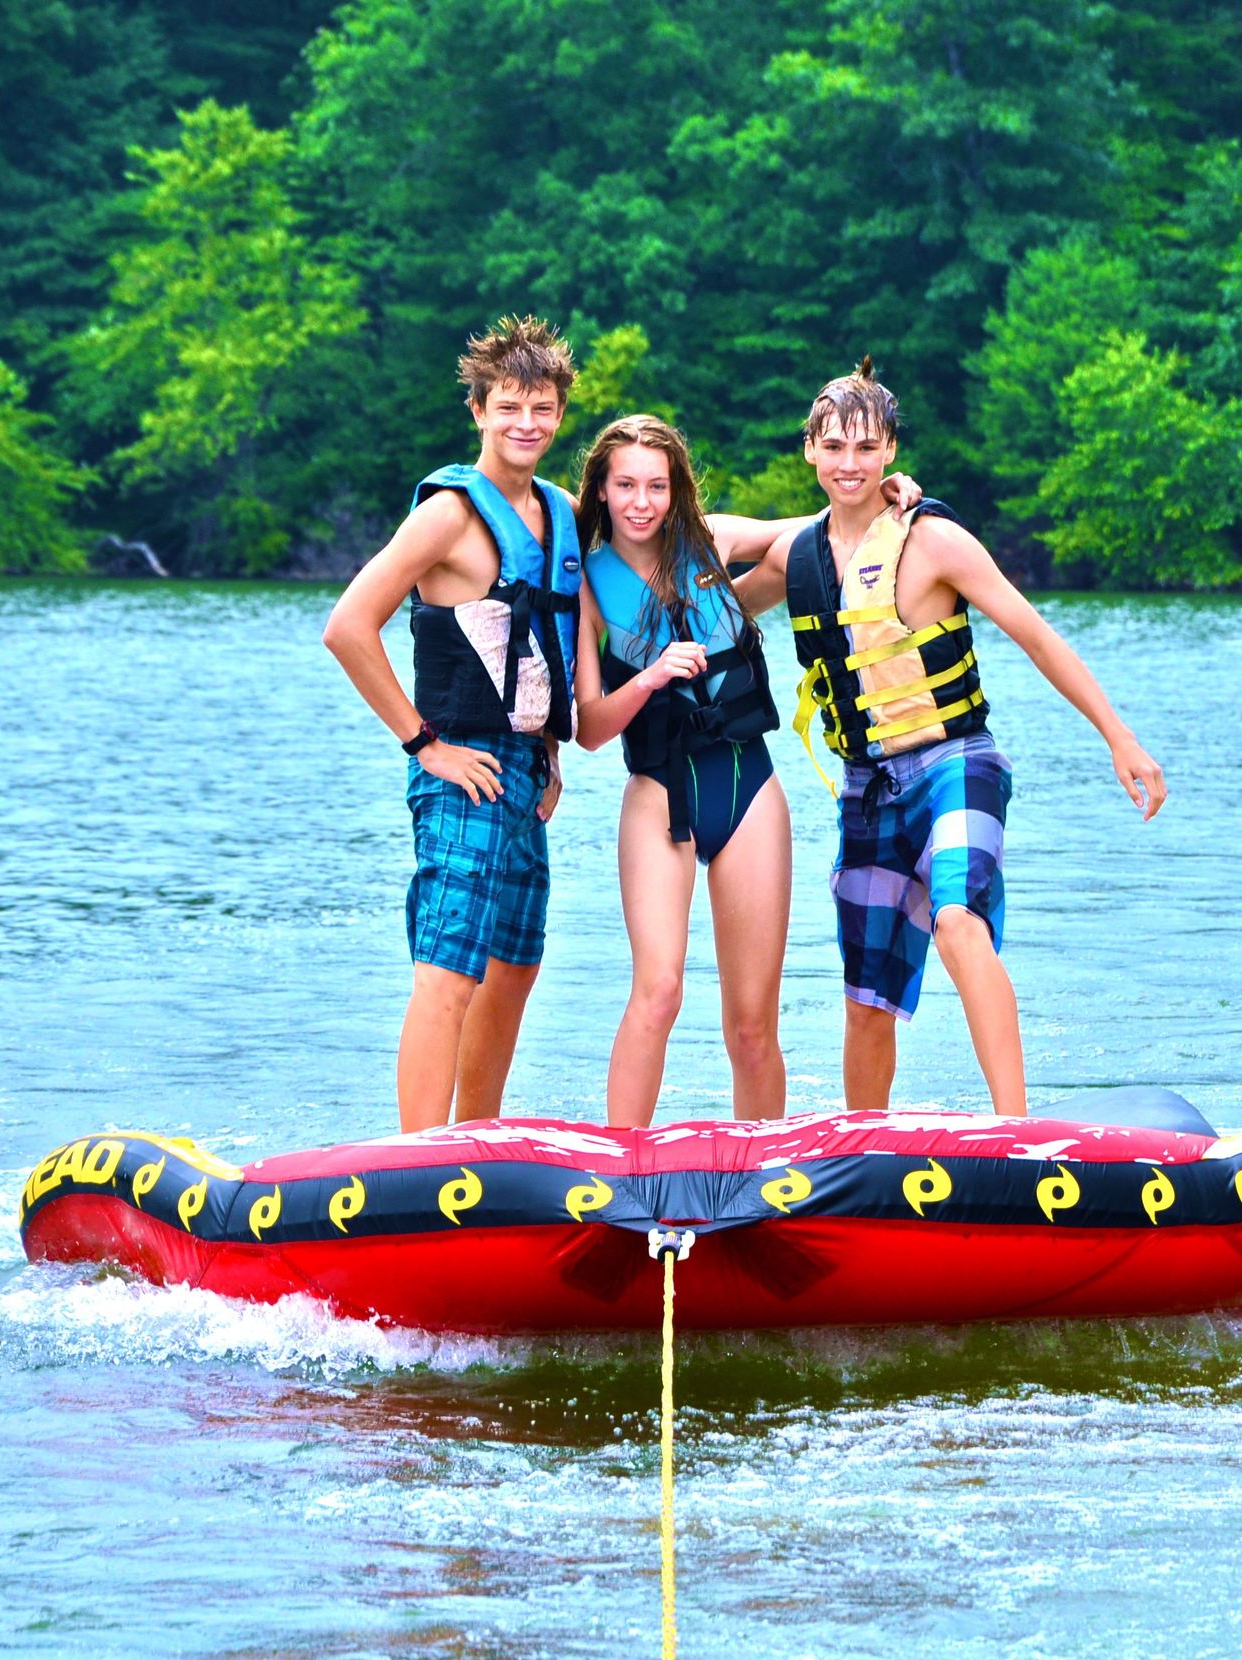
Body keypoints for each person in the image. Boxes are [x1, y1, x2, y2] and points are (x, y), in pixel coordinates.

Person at [738, 359, 1169, 1118]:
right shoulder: (795, 555)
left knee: (956, 918)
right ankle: (865, 1148)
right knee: (867, 996)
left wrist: (1118, 737)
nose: (849, 463)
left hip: (956, 763)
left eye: (866, 448)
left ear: (891, 453)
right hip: (866, 785)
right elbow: (712, 610)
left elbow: (1035, 636)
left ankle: (1016, 1127)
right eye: (833, 446)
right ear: (809, 449)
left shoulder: (931, 539)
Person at [568, 414, 919, 1127]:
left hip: (748, 787)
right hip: (660, 793)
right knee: (659, 990)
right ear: (601, 491)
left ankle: (760, 1171)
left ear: (677, 490)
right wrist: (648, 679)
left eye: (657, 486)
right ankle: (619, 1165)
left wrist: (885, 495)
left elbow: (820, 533)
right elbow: (589, 730)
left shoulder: (713, 540)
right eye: (626, 485)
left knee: (752, 1023)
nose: (642, 502)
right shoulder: (588, 585)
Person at [322, 316, 580, 1133]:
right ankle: (419, 1157)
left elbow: (670, 536)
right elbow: (348, 626)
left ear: (560, 415)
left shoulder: (561, 511)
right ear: (478, 410)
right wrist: (424, 745)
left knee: (516, 965)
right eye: (509, 406)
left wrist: (548, 749)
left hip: (522, 772)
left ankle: (480, 1138)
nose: (526, 424)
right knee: (450, 968)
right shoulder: (447, 515)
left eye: (541, 408)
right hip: (459, 770)